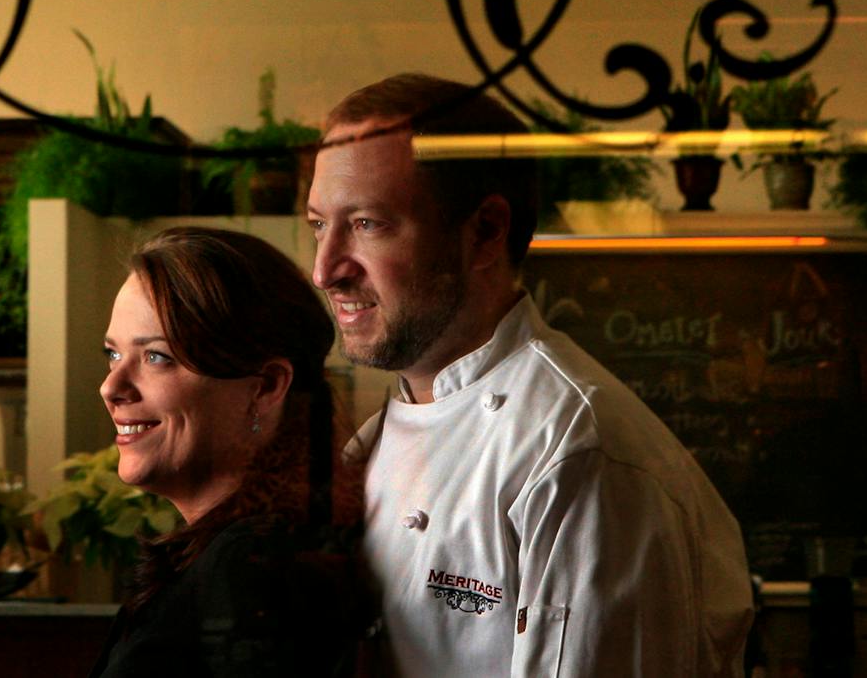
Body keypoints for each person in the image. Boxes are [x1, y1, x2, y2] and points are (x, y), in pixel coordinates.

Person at [308, 73, 753, 676]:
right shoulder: (376, 437)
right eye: (318, 225)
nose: (325, 269)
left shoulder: (575, 451)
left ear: (486, 230)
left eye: (367, 224)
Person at [89, 225, 372, 678]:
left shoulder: (252, 569)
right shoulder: (237, 553)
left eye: (156, 357)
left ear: (265, 386)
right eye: (112, 354)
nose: (111, 387)